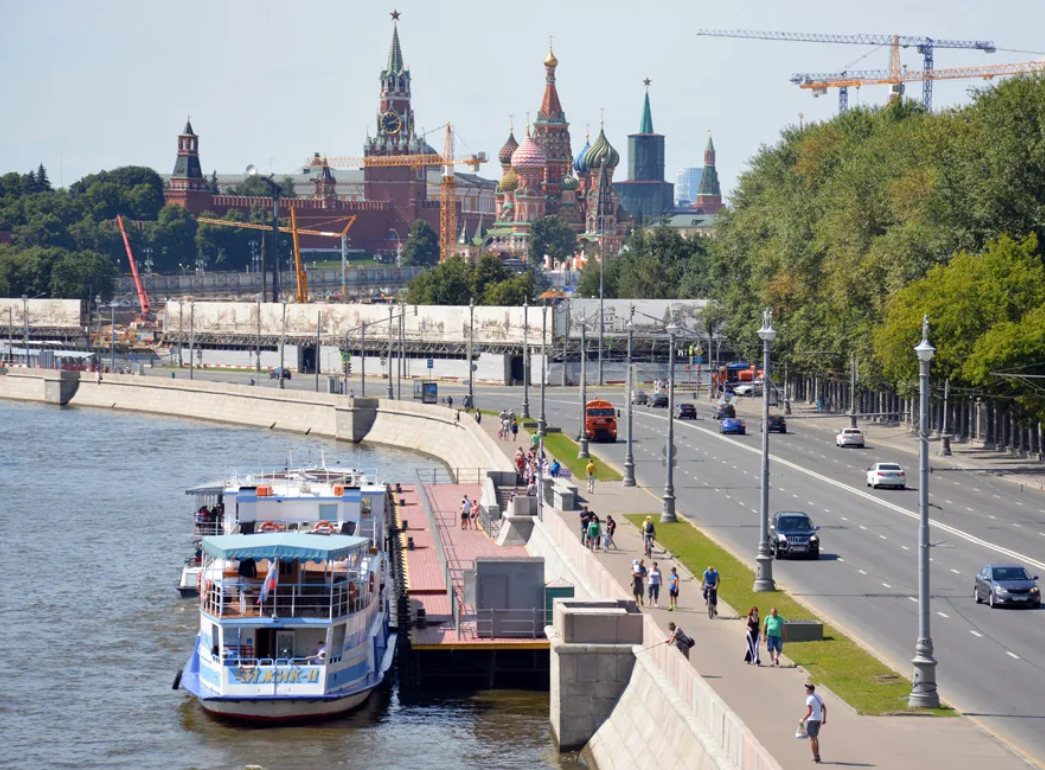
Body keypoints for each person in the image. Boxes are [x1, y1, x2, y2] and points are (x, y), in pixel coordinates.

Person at [799, 683, 826, 764]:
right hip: (818, 720)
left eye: (807, 689)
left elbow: (809, 712)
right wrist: (824, 719)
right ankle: (817, 756)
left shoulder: (809, 699)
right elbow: (824, 708)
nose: (806, 690)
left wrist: (802, 720)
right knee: (815, 738)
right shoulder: (818, 696)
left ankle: (816, 757)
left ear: (810, 690)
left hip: (812, 720)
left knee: (812, 739)